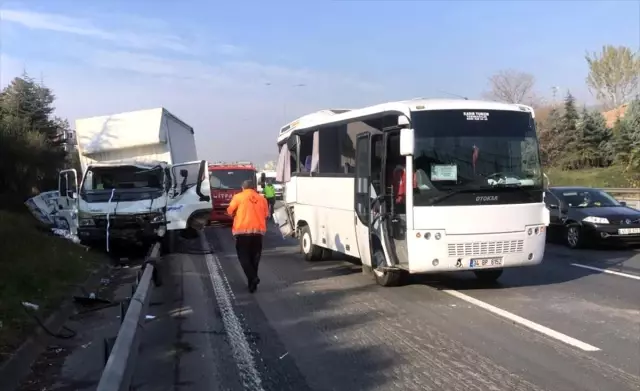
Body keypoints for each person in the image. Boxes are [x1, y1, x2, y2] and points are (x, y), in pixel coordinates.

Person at [226, 179, 269, 293]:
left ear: (243, 188)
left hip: (242, 231)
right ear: (254, 188)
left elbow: (230, 211)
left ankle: (253, 278)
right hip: (258, 233)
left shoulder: (238, 197)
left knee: (244, 257)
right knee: (255, 258)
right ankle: (252, 285)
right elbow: (266, 214)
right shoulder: (262, 199)